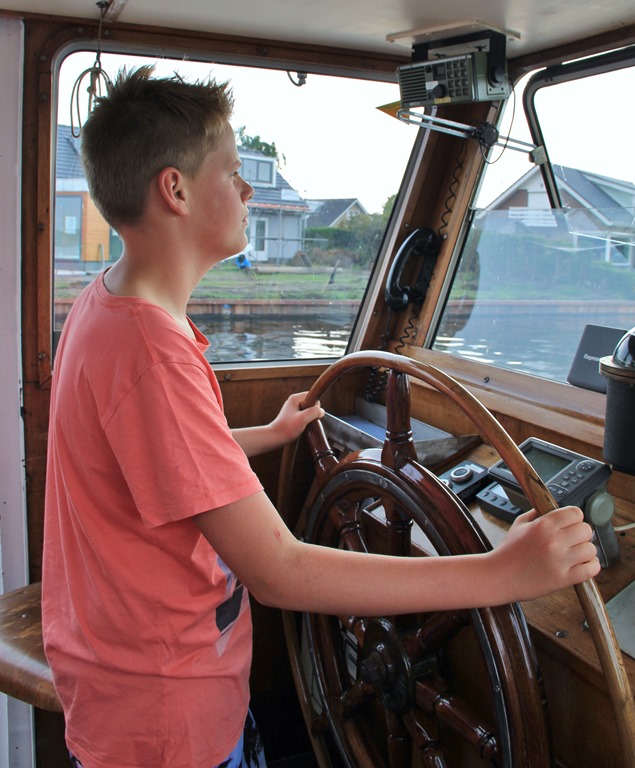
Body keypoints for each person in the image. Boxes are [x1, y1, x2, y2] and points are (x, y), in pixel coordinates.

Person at [42, 66, 600, 768]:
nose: (248, 191)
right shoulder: (152, 354)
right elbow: (278, 569)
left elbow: (153, 454)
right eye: (233, 172)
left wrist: (263, 435)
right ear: (175, 190)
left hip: (130, 673)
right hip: (164, 716)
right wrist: (501, 573)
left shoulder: (106, 306)